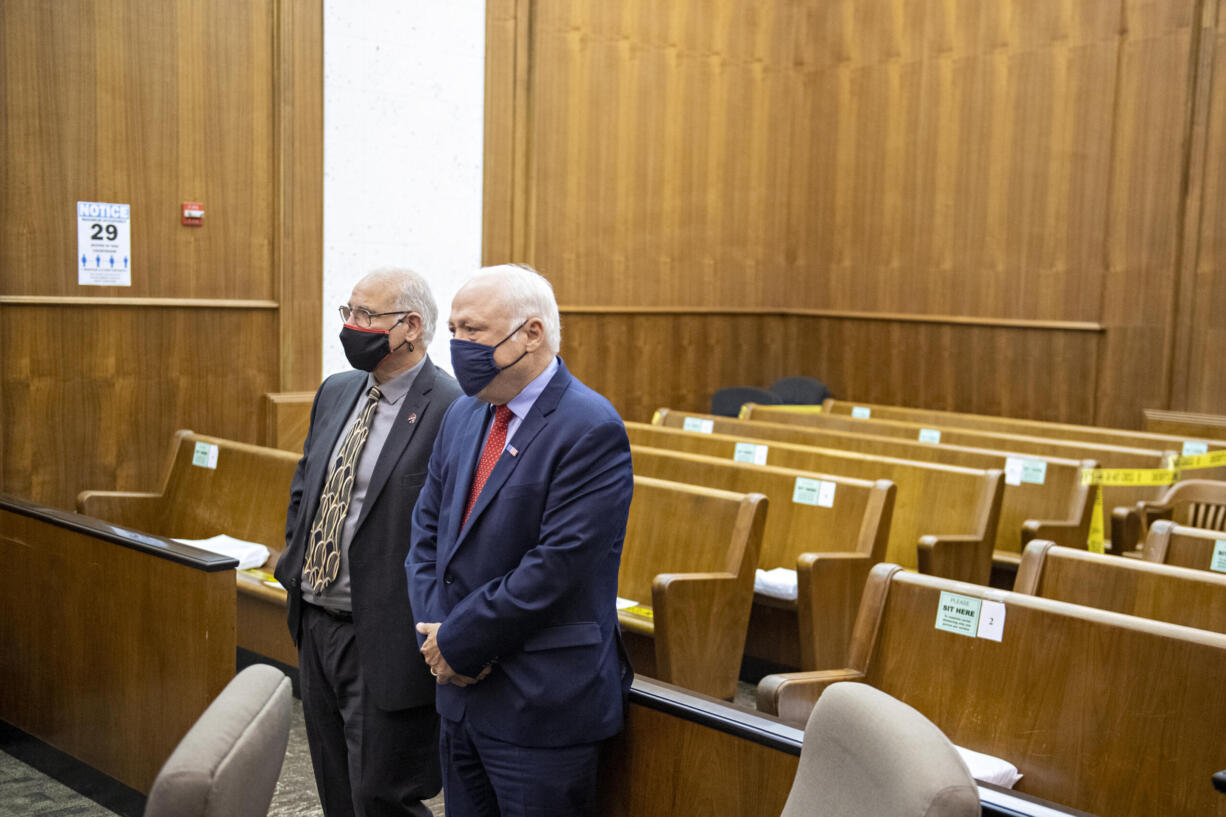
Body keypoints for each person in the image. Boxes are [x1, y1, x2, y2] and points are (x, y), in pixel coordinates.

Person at [406, 263, 634, 817]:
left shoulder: (590, 427)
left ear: (531, 333)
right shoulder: (464, 413)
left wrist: (461, 642)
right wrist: (440, 641)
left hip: (540, 704)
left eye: (472, 330)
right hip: (459, 693)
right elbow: (426, 535)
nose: (457, 344)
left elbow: (556, 567)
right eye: (453, 329)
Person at [275, 267, 462, 817]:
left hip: (384, 637)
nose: (351, 326)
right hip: (316, 623)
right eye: (347, 313)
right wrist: (296, 571)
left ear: (410, 326)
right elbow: (307, 487)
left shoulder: (452, 407)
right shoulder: (338, 389)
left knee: (383, 797)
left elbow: (450, 535)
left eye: (365, 316)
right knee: (334, 790)